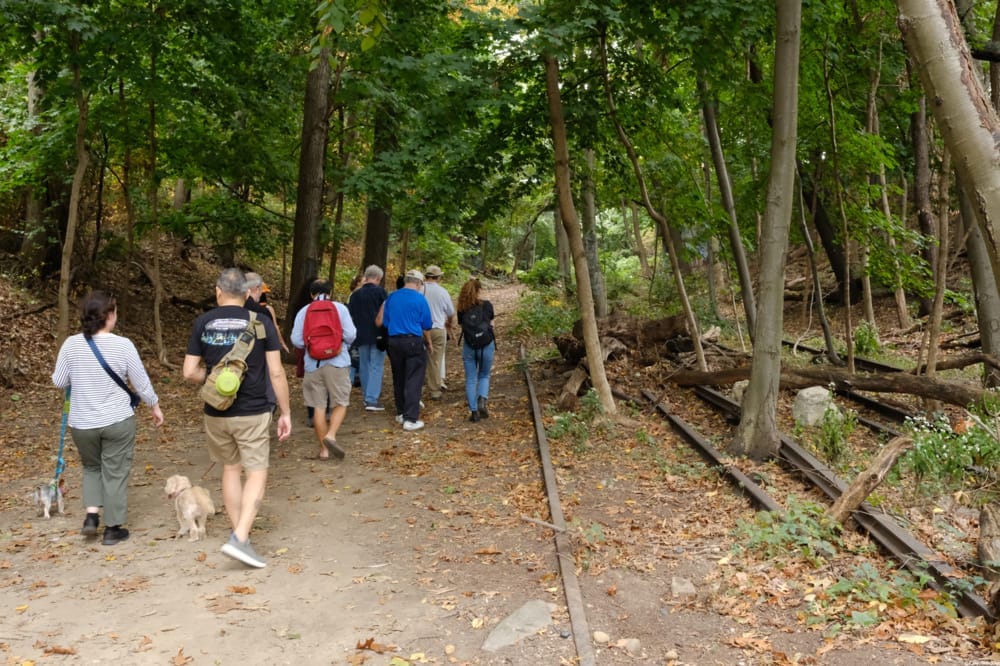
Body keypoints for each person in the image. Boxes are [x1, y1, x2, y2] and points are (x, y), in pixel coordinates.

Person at [183, 268, 292, 569]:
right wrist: (286, 412)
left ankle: (239, 535)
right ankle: (240, 537)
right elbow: (276, 372)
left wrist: (216, 380)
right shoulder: (262, 323)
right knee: (256, 472)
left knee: (231, 468)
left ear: (218, 290)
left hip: (216, 412)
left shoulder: (202, 322)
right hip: (254, 410)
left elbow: (189, 371)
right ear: (247, 293)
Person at [51, 290, 165, 546]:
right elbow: (141, 383)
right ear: (109, 315)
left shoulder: (71, 344)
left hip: (82, 423)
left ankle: (91, 517)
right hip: (117, 420)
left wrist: (80, 376)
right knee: (115, 472)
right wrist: (154, 406)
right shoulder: (123, 345)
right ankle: (113, 529)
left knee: (92, 467)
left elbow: (59, 381)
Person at [290, 279, 356, 460]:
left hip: (313, 364)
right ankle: (331, 435)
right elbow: (351, 335)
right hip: (338, 362)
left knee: (318, 407)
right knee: (341, 402)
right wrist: (339, 343)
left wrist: (313, 345)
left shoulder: (304, 311)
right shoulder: (340, 309)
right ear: (331, 292)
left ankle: (324, 450)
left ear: (311, 294)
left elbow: (297, 341)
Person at [377, 269, 433, 431]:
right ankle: (411, 418)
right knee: (414, 378)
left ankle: (401, 411)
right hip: (413, 340)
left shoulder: (392, 297)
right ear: (418, 283)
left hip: (394, 341)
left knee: (399, 375)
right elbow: (427, 324)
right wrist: (428, 341)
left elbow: (386, 322)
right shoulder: (420, 299)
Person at [348, 265, 389, 411]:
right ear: (378, 278)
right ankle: (372, 399)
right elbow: (385, 312)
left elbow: (350, 315)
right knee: (376, 365)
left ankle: (367, 396)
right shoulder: (380, 292)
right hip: (377, 334)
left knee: (364, 365)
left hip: (360, 334)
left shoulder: (355, 295)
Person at [457, 278, 496, 422]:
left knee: (471, 378)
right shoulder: (487, 305)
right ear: (478, 291)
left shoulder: (462, 308)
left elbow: (462, 325)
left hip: (469, 345)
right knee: (484, 375)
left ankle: (473, 412)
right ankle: (482, 399)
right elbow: (491, 323)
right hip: (486, 344)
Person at [422, 265, 455, 401]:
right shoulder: (442, 292)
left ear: (426, 276)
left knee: (419, 358)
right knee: (435, 360)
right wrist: (449, 322)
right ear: (438, 277)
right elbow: (451, 312)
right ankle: (435, 390)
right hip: (437, 328)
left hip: (419, 329)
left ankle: (418, 385)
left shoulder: (419, 289)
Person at [245, 272, 289, 353]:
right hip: (256, 354)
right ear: (257, 288)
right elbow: (265, 336)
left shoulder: (234, 307)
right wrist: (280, 343)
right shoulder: (263, 311)